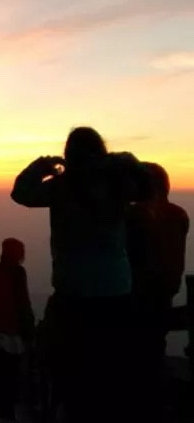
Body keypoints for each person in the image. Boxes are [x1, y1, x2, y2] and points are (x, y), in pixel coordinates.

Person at [10, 127, 150, 423]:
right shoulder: (117, 184)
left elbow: (20, 192)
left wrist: (43, 165)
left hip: (73, 292)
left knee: (73, 369)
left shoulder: (62, 187)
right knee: (111, 367)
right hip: (115, 290)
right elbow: (148, 188)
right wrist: (126, 161)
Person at [126, 162, 189, 422]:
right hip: (165, 293)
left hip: (135, 296)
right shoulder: (179, 214)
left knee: (135, 357)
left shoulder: (134, 216)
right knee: (153, 351)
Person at [0, 238, 35, 421]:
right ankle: (10, 412)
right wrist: (29, 330)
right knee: (12, 374)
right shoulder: (17, 272)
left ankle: (4, 411)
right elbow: (23, 303)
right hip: (11, 332)